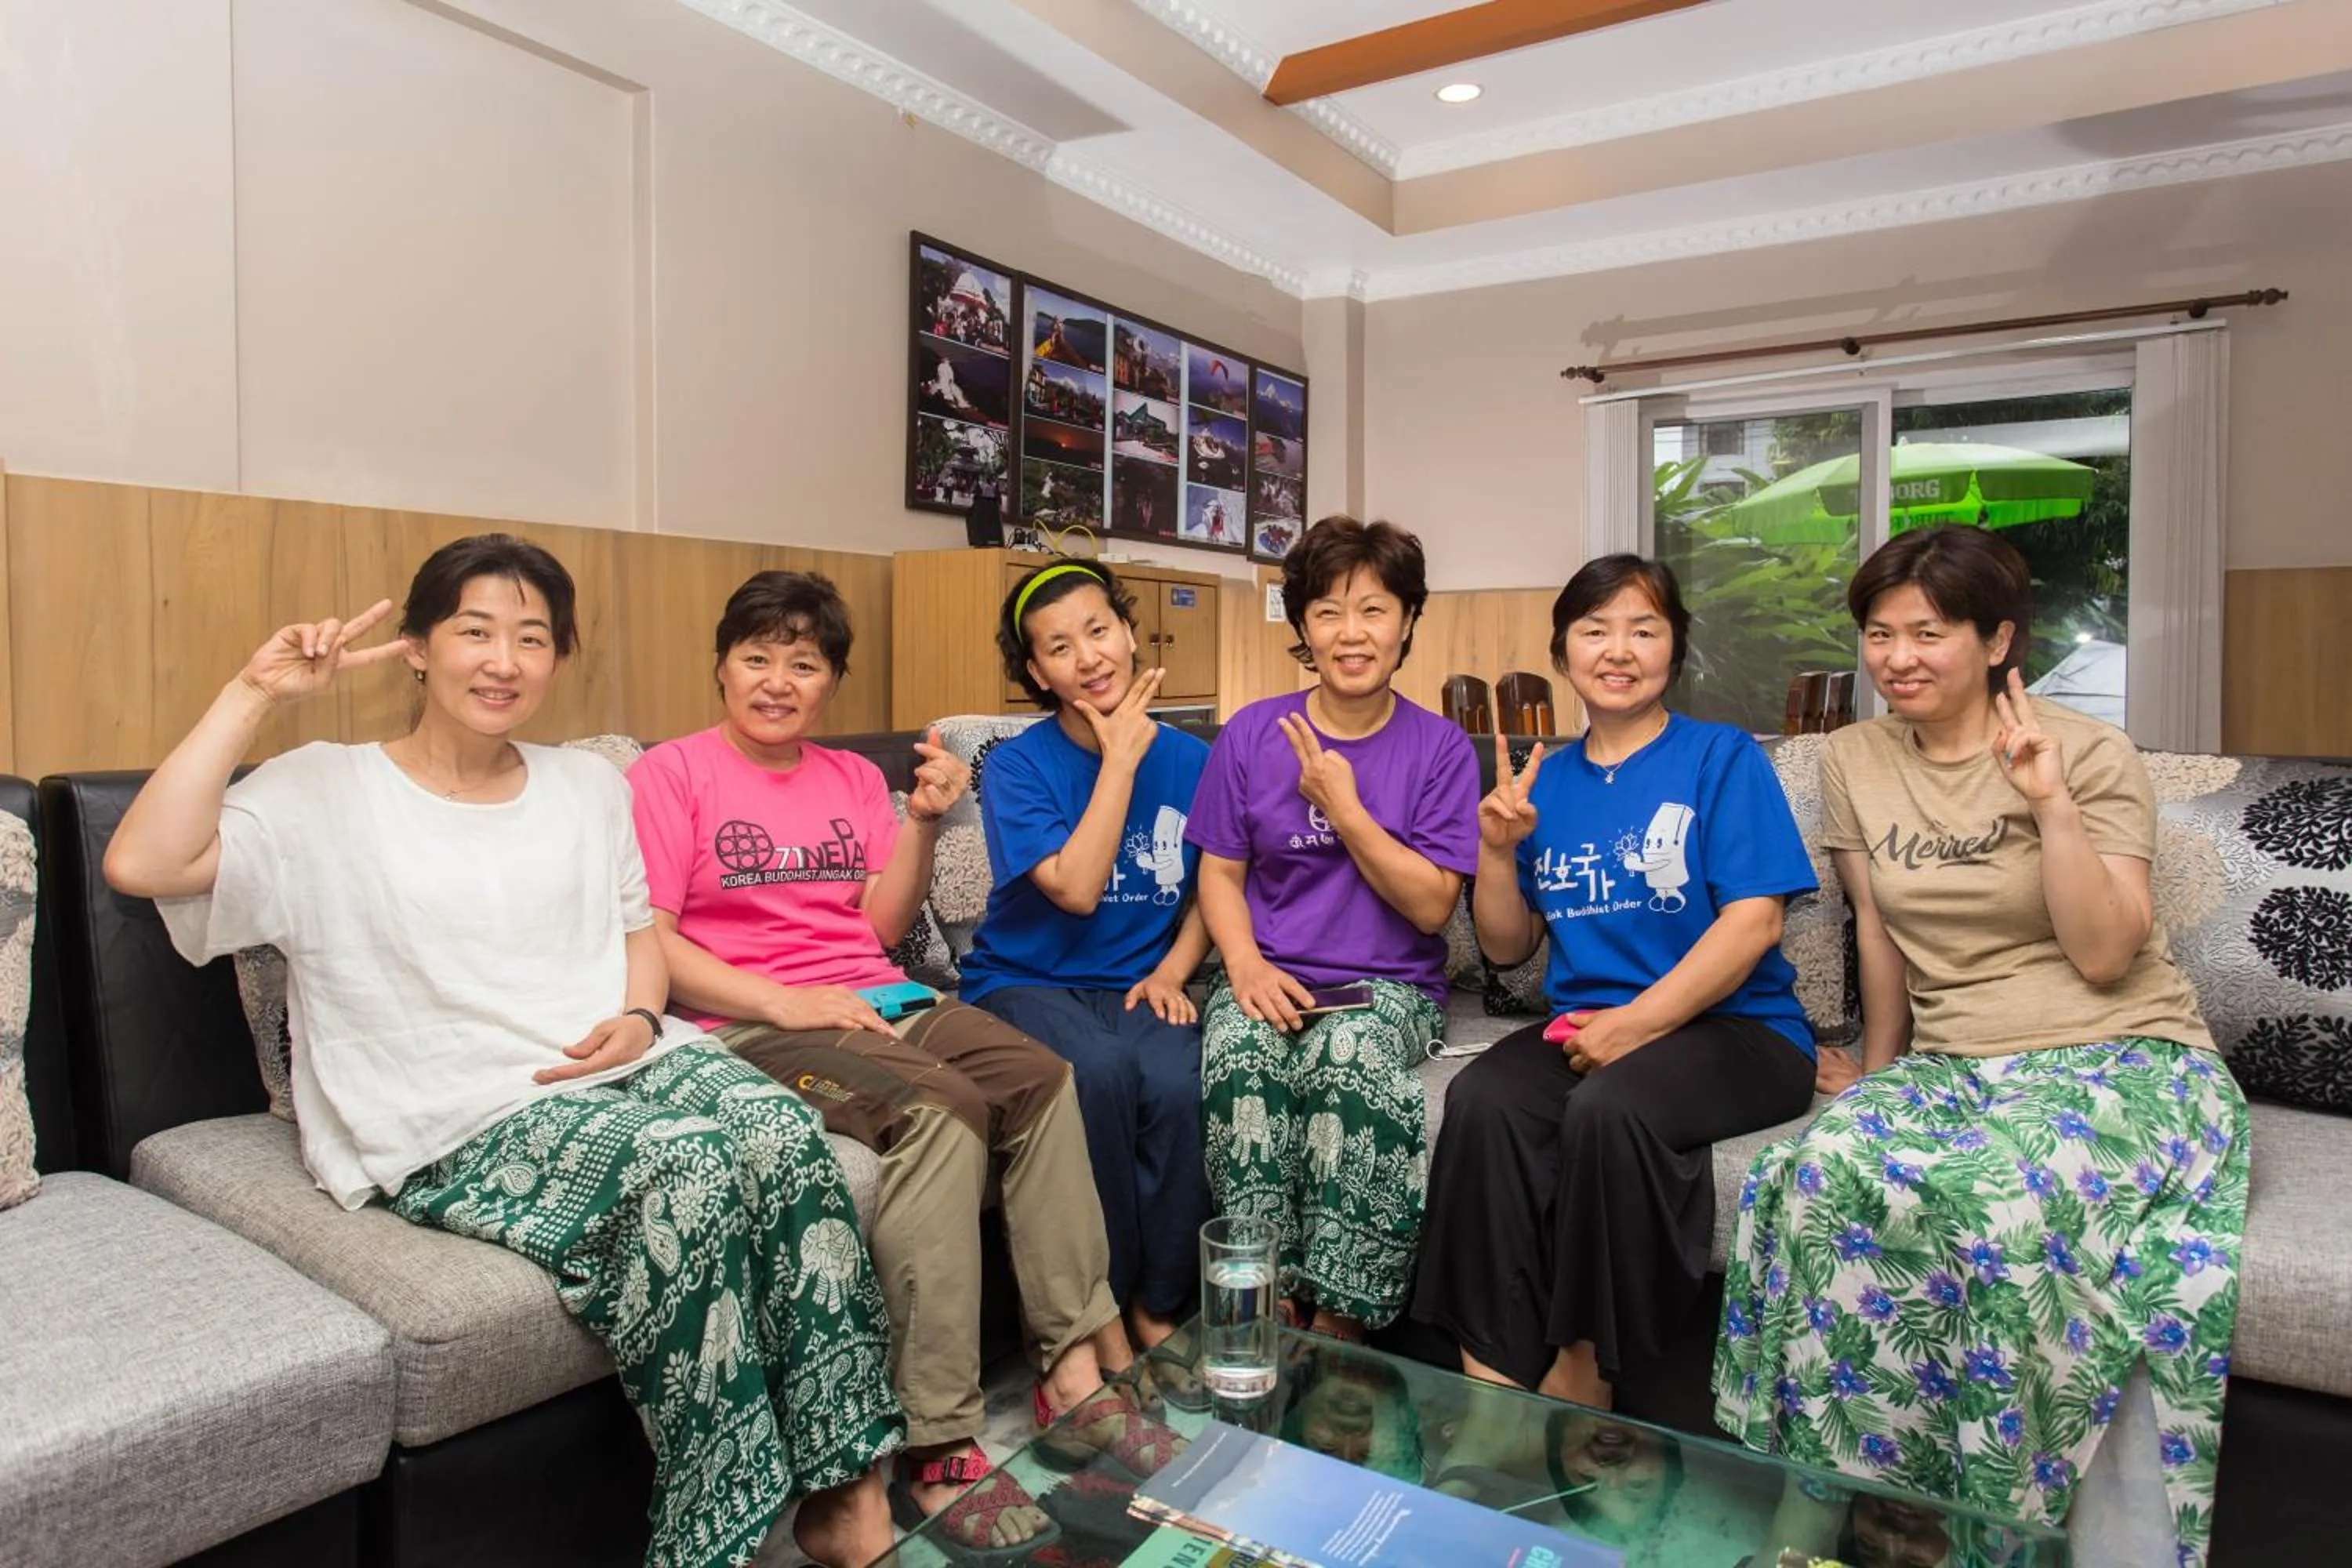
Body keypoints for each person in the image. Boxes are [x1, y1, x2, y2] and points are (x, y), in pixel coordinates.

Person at [103, 535, 902, 1568]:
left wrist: (642, 1019)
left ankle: (843, 1488)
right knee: (689, 1171)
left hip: (617, 1058)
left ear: (558, 658)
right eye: (474, 631)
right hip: (450, 1108)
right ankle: (717, 1534)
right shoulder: (325, 791)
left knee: (785, 1135)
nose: (503, 660)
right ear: (418, 649)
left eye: (532, 638)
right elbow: (143, 860)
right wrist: (254, 694)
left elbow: (634, 941)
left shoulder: (585, 787)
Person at [1713, 525, 2247, 1567]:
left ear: (1998, 638)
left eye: (1929, 632)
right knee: (1812, 1176)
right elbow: (1879, 929)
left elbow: (2104, 955)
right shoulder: (1856, 760)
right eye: (1879, 633)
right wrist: (1876, 1063)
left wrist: (2048, 801)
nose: (1898, 657)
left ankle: (1985, 1531)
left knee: (1994, 1207)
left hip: (2126, 1055)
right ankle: (1825, 1514)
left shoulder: (2088, 755)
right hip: (1957, 1067)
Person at [627, 571, 1170, 1557]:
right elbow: (653, 941)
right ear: (721, 665)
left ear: (830, 680)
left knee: (1043, 1077)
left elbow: (878, 930)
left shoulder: (845, 779)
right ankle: (939, 1432)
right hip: (750, 1020)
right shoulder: (670, 773)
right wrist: (780, 998)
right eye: (758, 658)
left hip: (882, 998)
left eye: (805, 663)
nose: (779, 681)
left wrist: (919, 820)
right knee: (939, 1110)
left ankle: (1074, 1368)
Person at [1414, 554, 1818, 1410]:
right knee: (1484, 1098)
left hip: (1740, 1029)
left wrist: (1634, 1025)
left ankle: (1588, 1370)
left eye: (1644, 628)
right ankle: (1486, 1370)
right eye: (1595, 630)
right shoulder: (1545, 778)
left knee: (1609, 1108)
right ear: (1563, 653)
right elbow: (1507, 943)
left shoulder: (1721, 756)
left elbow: (1755, 923)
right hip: (1594, 1022)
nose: (1619, 649)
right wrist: (1495, 847)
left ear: (1675, 647)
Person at [1187, 515, 1482, 1341]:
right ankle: (1259, 1296)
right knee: (1242, 1050)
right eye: (1327, 612)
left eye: (1375, 610)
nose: (1351, 633)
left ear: (1408, 622)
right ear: (1303, 627)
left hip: (1387, 989)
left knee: (1343, 1054)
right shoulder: (1251, 732)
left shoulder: (1441, 748)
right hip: (1270, 970)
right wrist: (1241, 964)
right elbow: (1221, 869)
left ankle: (1344, 1317)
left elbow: (1431, 906)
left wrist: (1344, 807)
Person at [960, 561, 1213, 1352]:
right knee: (1095, 1074)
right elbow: (1073, 886)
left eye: (1099, 630)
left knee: (1176, 1082)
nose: (1090, 656)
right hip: (1027, 981)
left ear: (1130, 633)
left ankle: (1162, 1303)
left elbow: (1218, 884)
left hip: (1142, 980)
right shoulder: (1014, 764)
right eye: (1060, 647)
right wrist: (1121, 761)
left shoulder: (1197, 759)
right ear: (1038, 672)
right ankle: (1100, 1307)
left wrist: (1175, 969)